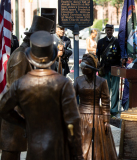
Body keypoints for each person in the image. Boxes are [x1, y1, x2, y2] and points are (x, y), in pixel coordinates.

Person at [0, 31, 84, 160]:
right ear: (53, 56)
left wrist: (24, 123)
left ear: (31, 57)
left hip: (35, 147)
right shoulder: (63, 83)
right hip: (57, 146)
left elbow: (3, 108)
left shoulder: (20, 84)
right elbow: (73, 121)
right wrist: (77, 153)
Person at [1, 16, 54, 160]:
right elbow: (16, 90)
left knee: (15, 151)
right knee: (10, 152)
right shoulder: (20, 56)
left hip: (20, 115)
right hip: (14, 116)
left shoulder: (27, 55)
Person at [74, 53, 117, 160]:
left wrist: (107, 120)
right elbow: (71, 99)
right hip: (81, 116)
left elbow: (106, 102)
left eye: (86, 65)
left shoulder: (102, 82)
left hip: (97, 117)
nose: (83, 67)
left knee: (98, 146)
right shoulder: (78, 80)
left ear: (92, 67)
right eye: (82, 65)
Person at [96, 24, 121, 116]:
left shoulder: (117, 42)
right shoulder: (101, 42)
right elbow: (97, 56)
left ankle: (114, 110)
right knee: (105, 90)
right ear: (105, 31)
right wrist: (98, 63)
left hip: (115, 68)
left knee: (115, 90)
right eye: (107, 30)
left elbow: (121, 54)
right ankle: (105, 108)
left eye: (111, 30)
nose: (109, 31)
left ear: (113, 30)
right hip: (104, 68)